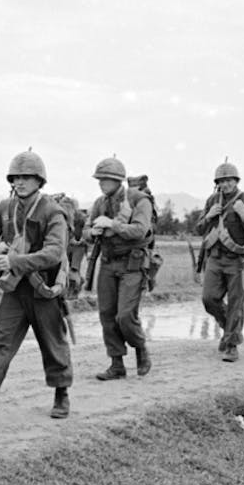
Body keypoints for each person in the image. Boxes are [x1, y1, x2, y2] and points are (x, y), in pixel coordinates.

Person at [0, 151, 74, 421]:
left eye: (27, 177)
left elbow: (54, 252)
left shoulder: (52, 211)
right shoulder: (5, 208)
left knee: (52, 341)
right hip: (15, 289)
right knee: (1, 341)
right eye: (16, 177)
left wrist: (15, 261)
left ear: (39, 180)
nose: (20, 182)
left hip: (44, 288)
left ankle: (61, 393)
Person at [86, 156, 157, 377]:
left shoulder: (138, 200)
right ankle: (116, 364)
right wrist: (92, 232)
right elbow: (85, 232)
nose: (101, 183)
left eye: (105, 179)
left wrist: (112, 224)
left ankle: (141, 348)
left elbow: (140, 230)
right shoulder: (100, 203)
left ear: (118, 180)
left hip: (132, 264)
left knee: (125, 315)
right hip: (107, 263)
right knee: (107, 314)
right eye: (99, 179)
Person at [195, 161, 244, 362]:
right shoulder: (211, 201)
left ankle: (232, 344)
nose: (226, 184)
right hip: (215, 258)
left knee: (236, 302)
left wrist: (243, 215)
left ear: (236, 181)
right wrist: (208, 216)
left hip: (238, 260)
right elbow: (199, 230)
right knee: (209, 299)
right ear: (217, 183)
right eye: (222, 181)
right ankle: (229, 329)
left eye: (229, 180)